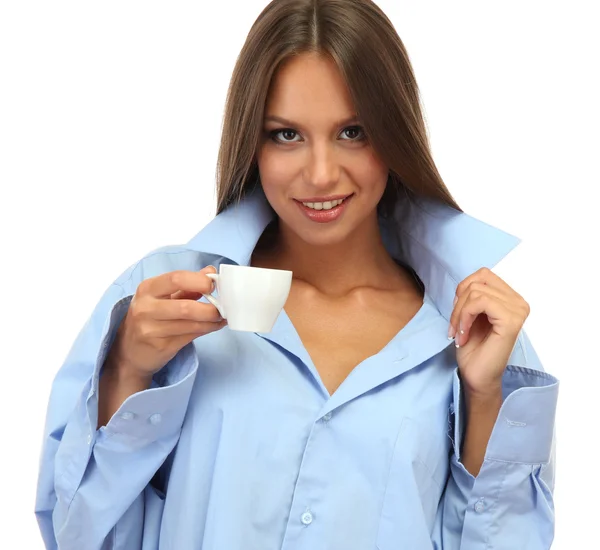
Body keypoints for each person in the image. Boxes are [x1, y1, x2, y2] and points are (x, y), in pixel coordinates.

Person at [35, 1, 558, 548]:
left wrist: (483, 398)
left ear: (395, 133)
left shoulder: (476, 332)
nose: (321, 174)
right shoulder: (156, 303)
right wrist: (125, 373)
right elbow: (79, 536)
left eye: (353, 131)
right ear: (251, 141)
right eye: (286, 135)